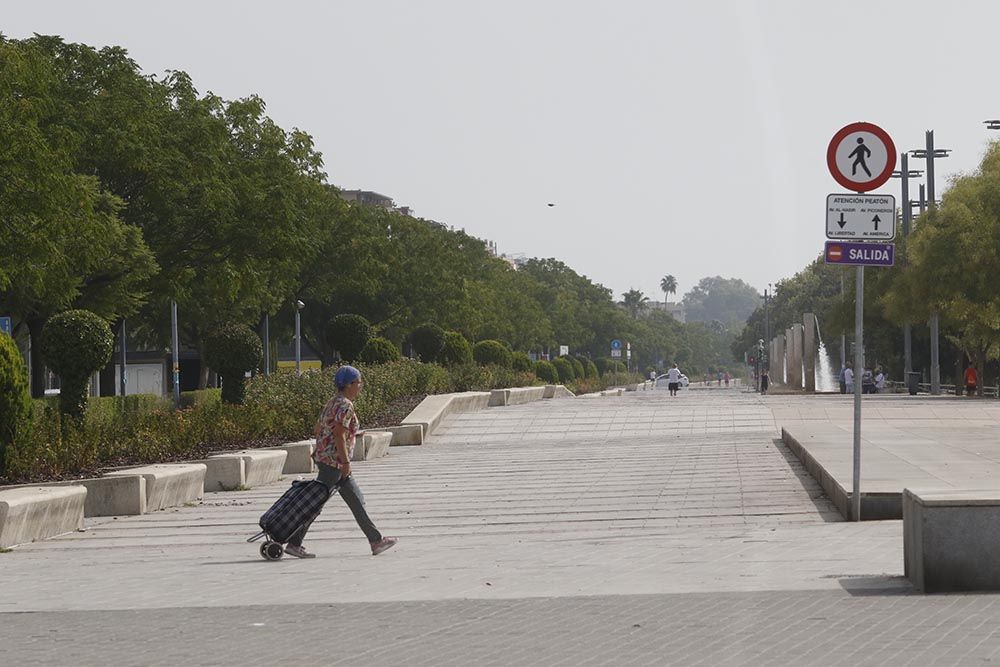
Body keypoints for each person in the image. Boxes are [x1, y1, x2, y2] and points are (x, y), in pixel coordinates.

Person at [284, 365, 398, 559]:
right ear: (349, 384)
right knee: (316, 503)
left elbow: (319, 428)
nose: (360, 386)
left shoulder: (332, 402)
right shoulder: (345, 405)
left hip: (326, 458)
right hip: (335, 463)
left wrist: (350, 435)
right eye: (358, 382)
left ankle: (375, 540)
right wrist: (345, 463)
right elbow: (338, 434)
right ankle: (294, 542)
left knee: (355, 500)